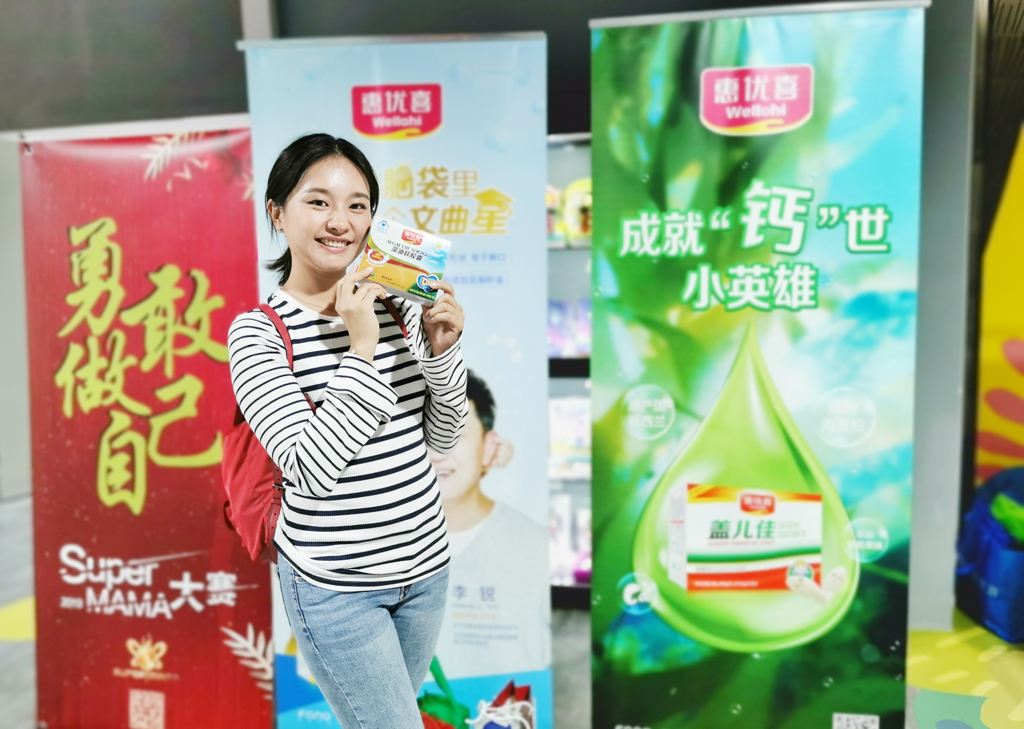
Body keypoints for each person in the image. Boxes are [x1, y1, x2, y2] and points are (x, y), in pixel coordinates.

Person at [227, 133, 468, 729]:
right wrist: (361, 351)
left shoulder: (397, 307)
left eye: (358, 205)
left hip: (426, 571)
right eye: (318, 201)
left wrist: (442, 354)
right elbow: (310, 470)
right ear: (277, 213)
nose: (340, 222)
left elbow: (443, 439)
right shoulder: (257, 332)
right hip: (336, 587)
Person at [428, 371, 551, 679]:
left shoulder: (535, 545)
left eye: (453, 433)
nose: (437, 452)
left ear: (489, 446)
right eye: (424, 432)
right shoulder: (375, 542)